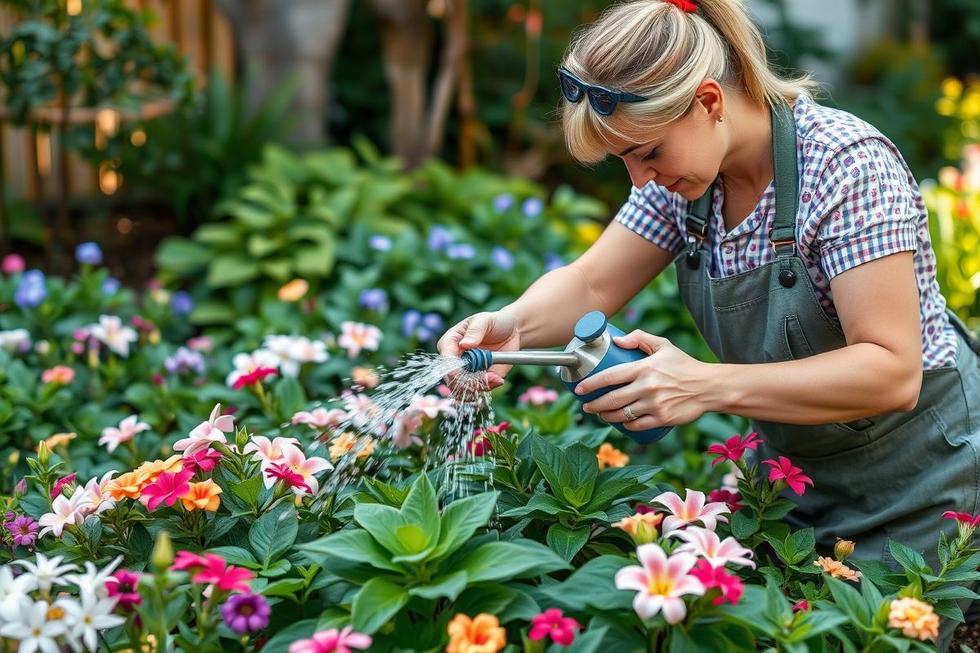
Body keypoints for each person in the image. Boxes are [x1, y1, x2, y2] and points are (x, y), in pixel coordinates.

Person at [437, 0, 980, 647]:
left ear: (709, 101)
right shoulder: (688, 183)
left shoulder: (847, 166)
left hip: (929, 490)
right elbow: (591, 282)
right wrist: (511, 323)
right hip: (798, 486)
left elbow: (891, 370)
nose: (641, 178)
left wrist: (702, 384)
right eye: (625, 162)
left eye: (647, 152)